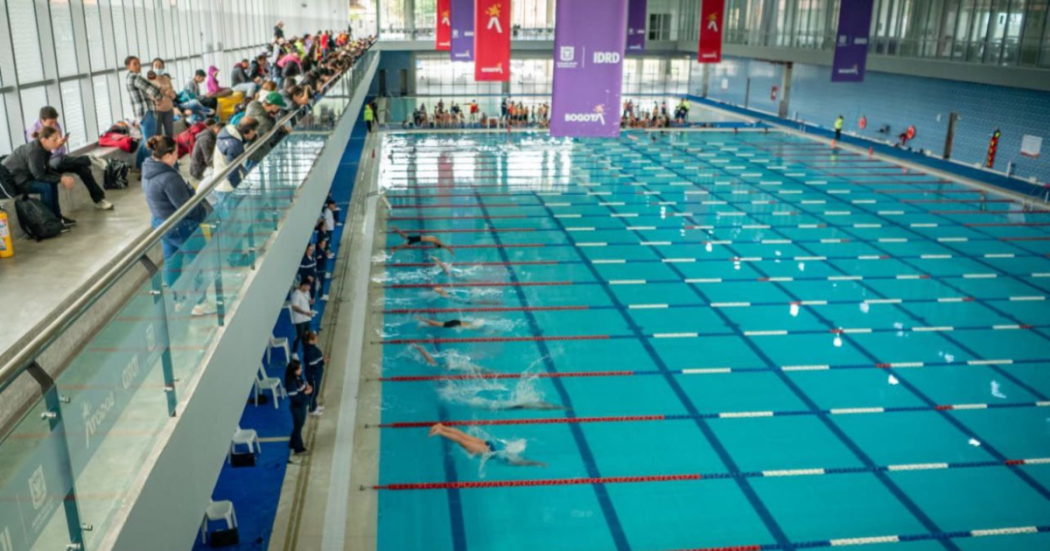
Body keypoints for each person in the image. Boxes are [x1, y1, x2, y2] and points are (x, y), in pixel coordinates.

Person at [141, 135, 209, 312]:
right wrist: (204, 215)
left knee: (172, 262)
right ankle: (200, 303)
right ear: (168, 155)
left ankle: (178, 301)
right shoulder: (169, 178)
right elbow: (187, 207)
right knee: (199, 261)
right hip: (181, 225)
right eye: (177, 153)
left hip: (161, 223)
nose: (178, 157)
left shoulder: (148, 169)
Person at [26, 106, 113, 211]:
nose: (54, 125)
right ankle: (88, 159)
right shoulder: (33, 132)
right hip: (46, 163)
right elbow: (40, 154)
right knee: (58, 162)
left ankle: (99, 200)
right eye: (51, 123)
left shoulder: (55, 125)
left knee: (83, 169)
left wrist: (60, 144)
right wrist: (57, 146)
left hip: (60, 158)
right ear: (42, 120)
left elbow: (59, 151)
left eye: (55, 122)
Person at [2, 127, 77, 227]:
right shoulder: (35, 151)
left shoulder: (44, 149)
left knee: (52, 182)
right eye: (54, 140)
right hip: (15, 181)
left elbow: (46, 171)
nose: (58, 141)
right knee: (45, 187)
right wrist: (61, 179)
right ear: (44, 140)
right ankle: (49, 223)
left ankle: (57, 218)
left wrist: (62, 177)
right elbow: (39, 176)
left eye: (58, 138)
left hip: (27, 177)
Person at [428, 424, 546, 467]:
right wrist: (537, 463)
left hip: (490, 443)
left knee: (464, 437)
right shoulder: (511, 460)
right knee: (462, 441)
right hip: (486, 451)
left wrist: (536, 463)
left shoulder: (510, 450)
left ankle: (442, 427)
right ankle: (441, 431)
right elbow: (524, 462)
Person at [125, 55, 164, 168]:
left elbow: (145, 92)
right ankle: (149, 168)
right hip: (146, 112)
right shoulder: (135, 77)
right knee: (150, 142)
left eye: (139, 63)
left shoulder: (129, 78)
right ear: (128, 66)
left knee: (145, 141)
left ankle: (139, 166)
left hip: (140, 114)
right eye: (134, 64)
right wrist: (158, 96)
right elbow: (153, 89)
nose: (138, 66)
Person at [212, 117, 260, 206]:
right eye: (254, 131)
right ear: (249, 131)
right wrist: (239, 188)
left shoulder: (229, 132)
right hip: (227, 187)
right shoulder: (234, 146)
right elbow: (232, 172)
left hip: (219, 182)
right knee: (230, 217)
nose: (256, 133)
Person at [245, 92, 288, 161]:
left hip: (247, 150)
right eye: (279, 108)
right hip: (259, 155)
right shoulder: (266, 123)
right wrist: (282, 132)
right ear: (274, 106)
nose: (279, 111)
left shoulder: (252, 105)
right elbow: (270, 141)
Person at [285, 360, 312, 462]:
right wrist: (306, 393)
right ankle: (298, 448)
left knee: (298, 426)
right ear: (293, 371)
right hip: (297, 408)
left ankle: (292, 443)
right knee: (298, 428)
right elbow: (295, 398)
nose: (301, 370)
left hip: (301, 405)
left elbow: (302, 383)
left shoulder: (297, 377)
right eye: (299, 369)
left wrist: (306, 387)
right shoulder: (291, 383)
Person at [188, 117, 222, 186]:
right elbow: (209, 160)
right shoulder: (206, 139)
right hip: (199, 169)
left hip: (203, 165)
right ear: (216, 129)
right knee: (219, 179)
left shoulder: (211, 135)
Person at [290, 279, 316, 360]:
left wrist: (310, 302)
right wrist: (305, 313)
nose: (309, 289)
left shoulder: (307, 292)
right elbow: (295, 307)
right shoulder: (296, 295)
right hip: (299, 320)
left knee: (307, 334)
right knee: (299, 335)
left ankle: (307, 348)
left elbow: (306, 301)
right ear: (303, 285)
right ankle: (294, 352)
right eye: (308, 286)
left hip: (307, 317)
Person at [303, 331, 327, 416]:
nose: (316, 339)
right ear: (310, 340)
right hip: (313, 375)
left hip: (316, 373)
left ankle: (314, 406)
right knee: (313, 392)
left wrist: (321, 360)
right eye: (315, 338)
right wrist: (322, 361)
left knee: (315, 391)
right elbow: (314, 365)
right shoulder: (310, 352)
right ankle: (312, 409)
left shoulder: (311, 348)